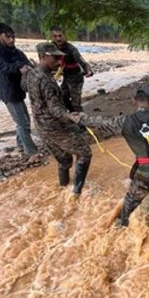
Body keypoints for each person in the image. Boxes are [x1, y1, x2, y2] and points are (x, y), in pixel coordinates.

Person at [69, 84, 149, 226]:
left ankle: (119, 227)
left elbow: (101, 122)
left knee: (129, 206)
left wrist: (80, 118)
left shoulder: (124, 121)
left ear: (134, 100)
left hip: (143, 173)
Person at [22, 42, 92, 198]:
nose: (59, 62)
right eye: (55, 58)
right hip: (55, 127)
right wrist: (70, 116)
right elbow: (55, 109)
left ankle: (63, 189)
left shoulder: (31, 74)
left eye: (60, 58)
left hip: (41, 127)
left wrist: (23, 73)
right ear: (44, 57)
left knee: (65, 161)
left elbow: (24, 87)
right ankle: (76, 192)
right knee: (85, 153)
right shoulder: (46, 81)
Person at [0, 23, 38, 156]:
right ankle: (31, 152)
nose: (11, 40)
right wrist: (19, 67)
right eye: (8, 37)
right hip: (7, 91)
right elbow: (1, 67)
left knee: (23, 120)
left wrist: (31, 68)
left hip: (19, 90)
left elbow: (27, 64)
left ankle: (21, 146)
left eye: (13, 37)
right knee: (23, 122)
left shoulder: (17, 52)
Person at [50, 26, 93, 112]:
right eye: (55, 36)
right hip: (66, 76)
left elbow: (81, 61)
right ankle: (72, 115)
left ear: (64, 36)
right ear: (52, 37)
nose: (58, 38)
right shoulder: (52, 47)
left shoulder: (71, 49)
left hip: (76, 78)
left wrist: (88, 70)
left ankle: (81, 123)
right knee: (62, 98)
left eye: (60, 35)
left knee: (76, 104)